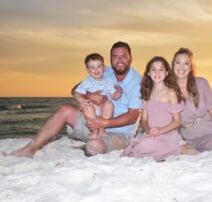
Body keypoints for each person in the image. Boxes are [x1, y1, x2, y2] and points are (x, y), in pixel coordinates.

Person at [5, 41, 142, 158]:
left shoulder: (137, 81)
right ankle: (30, 150)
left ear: (130, 58)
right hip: (93, 123)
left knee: (93, 147)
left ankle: (88, 145)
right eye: (115, 56)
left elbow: (132, 116)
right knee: (65, 109)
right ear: (110, 59)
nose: (119, 60)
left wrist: (103, 122)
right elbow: (75, 90)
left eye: (123, 56)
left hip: (119, 133)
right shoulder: (104, 70)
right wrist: (90, 96)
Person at [121, 56, 184, 161]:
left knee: (143, 146)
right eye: (153, 69)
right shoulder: (147, 94)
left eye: (161, 69)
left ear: (167, 73)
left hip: (167, 135)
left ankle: (175, 149)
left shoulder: (170, 93)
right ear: (149, 73)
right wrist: (149, 130)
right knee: (140, 144)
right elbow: (144, 120)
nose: (157, 73)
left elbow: (177, 121)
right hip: (151, 134)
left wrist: (160, 131)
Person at [74, 53, 122, 139]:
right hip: (91, 110)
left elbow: (114, 96)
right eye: (92, 68)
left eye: (99, 66)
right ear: (88, 70)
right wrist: (82, 100)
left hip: (104, 111)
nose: (96, 70)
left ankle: (102, 130)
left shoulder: (108, 81)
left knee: (110, 104)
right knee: (87, 107)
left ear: (104, 67)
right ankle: (94, 131)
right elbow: (76, 93)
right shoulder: (86, 81)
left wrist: (118, 92)